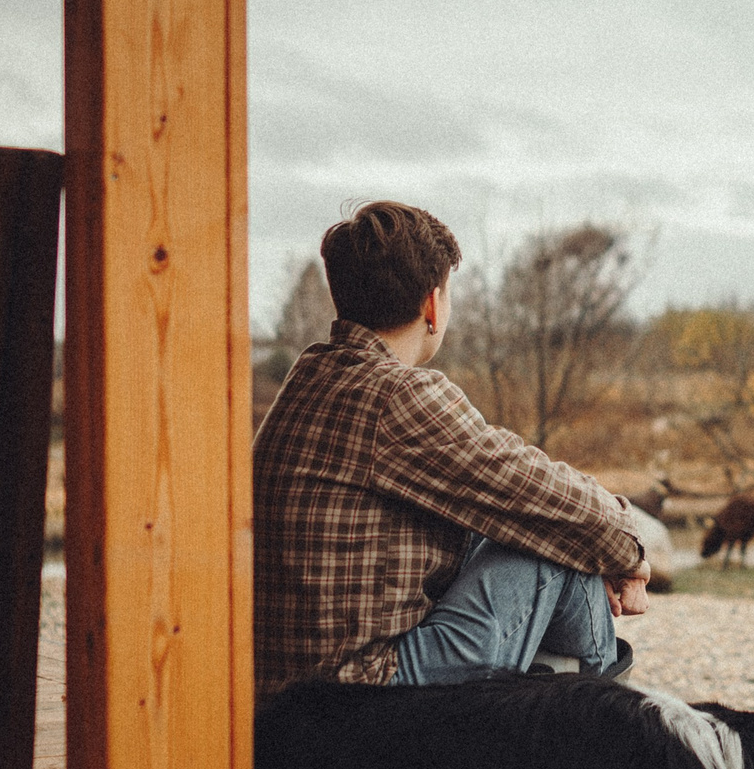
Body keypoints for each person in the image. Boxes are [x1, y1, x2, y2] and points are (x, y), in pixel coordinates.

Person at [253, 202, 649, 697]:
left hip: (287, 689)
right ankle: (605, 715)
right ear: (433, 306)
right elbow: (544, 495)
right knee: (552, 540)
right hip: (365, 691)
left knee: (546, 529)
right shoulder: (396, 394)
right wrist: (629, 552)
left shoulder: (310, 377)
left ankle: (581, 693)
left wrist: (603, 541)